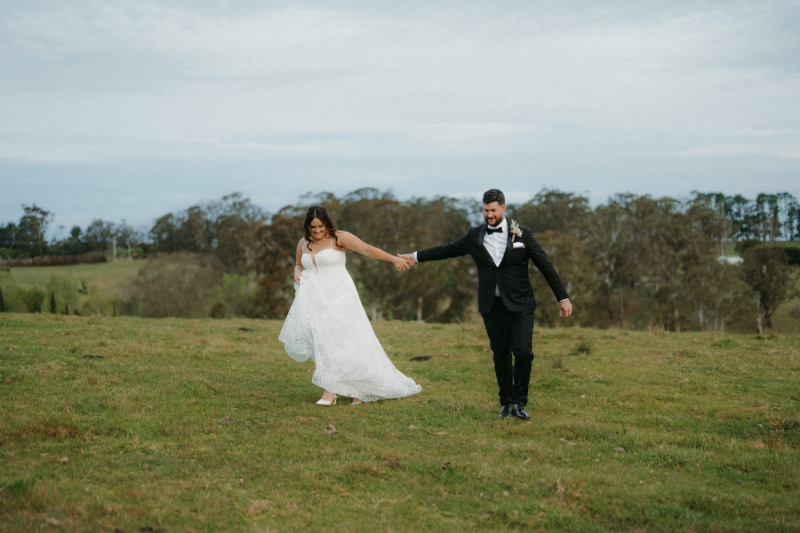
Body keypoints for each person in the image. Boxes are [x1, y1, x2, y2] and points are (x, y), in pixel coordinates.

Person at [399, 189, 572, 420]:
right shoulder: (474, 236)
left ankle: (520, 403)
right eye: (485, 210)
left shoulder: (522, 235)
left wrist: (562, 297)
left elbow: (546, 266)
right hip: (492, 306)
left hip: (521, 304)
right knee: (500, 354)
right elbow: (447, 250)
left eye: (493, 210)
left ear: (503, 208)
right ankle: (505, 403)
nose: (489, 215)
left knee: (522, 352)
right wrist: (415, 256)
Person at [279, 205, 422, 406]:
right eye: (313, 227)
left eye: (320, 226)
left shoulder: (339, 238)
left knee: (345, 341)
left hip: (341, 297)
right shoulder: (303, 243)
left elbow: (366, 249)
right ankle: (356, 389)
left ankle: (332, 391)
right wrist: (296, 272)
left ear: (326, 223)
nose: (317, 231)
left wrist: (394, 260)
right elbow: (299, 264)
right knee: (325, 343)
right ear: (307, 227)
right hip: (317, 301)